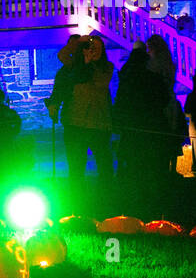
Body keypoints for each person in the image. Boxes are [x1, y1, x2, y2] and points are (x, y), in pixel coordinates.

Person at [45, 34, 114, 194]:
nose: (93, 51)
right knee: (76, 167)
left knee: (105, 166)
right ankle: (77, 200)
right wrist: (78, 44)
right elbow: (62, 60)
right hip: (75, 123)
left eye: (97, 48)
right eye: (90, 47)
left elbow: (96, 81)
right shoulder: (70, 68)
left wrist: (87, 63)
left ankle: (106, 198)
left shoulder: (106, 67)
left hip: (100, 123)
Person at [113, 47, 171, 178]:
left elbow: (120, 102)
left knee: (133, 166)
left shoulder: (126, 80)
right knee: (151, 166)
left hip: (132, 127)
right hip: (152, 126)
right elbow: (164, 99)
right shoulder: (154, 78)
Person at [145, 34, 186, 175]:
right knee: (172, 133)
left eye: (149, 48)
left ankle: (162, 168)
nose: (148, 51)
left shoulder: (154, 64)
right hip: (170, 100)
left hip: (160, 102)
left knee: (162, 133)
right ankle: (172, 168)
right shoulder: (169, 63)